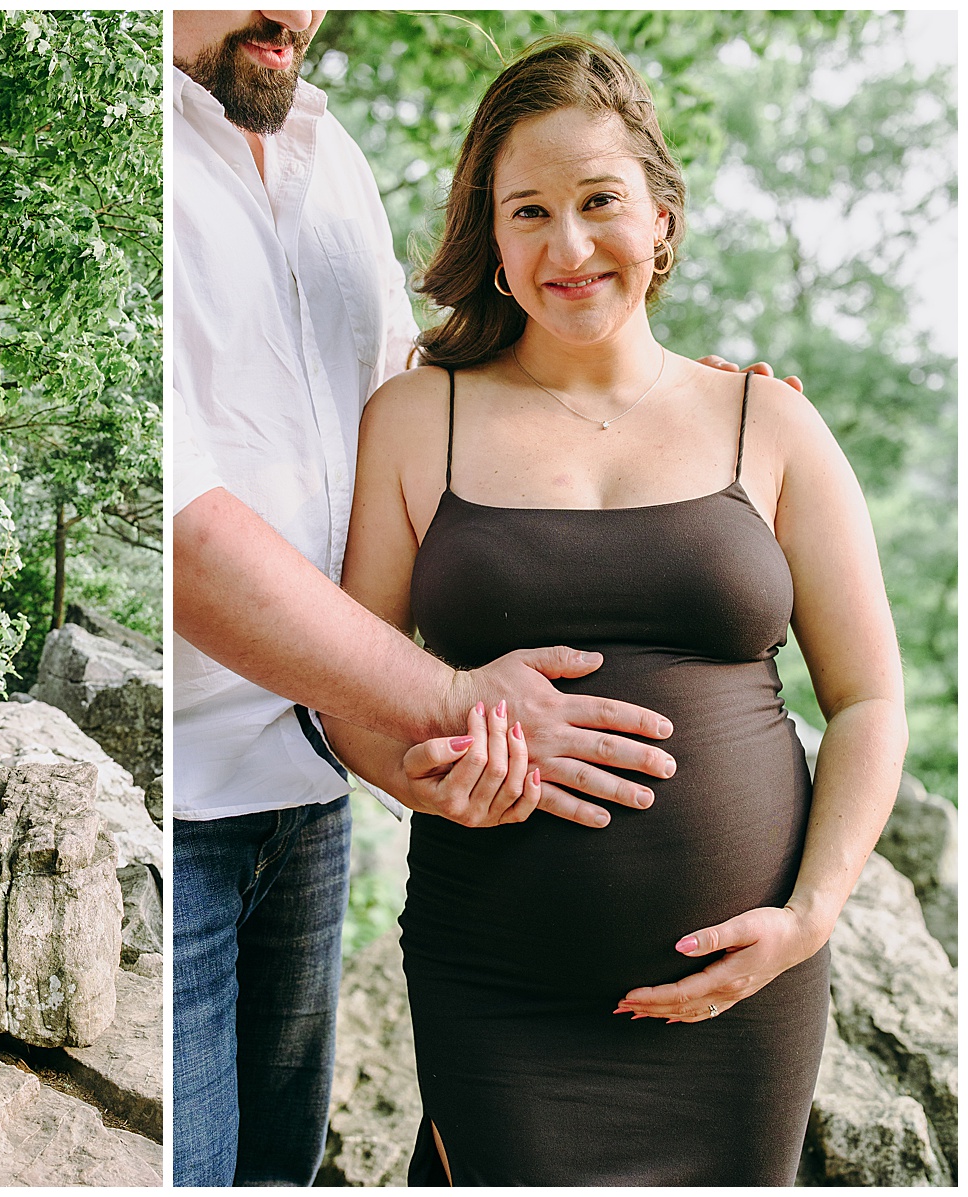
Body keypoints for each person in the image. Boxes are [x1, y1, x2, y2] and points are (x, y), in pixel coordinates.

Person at [322, 34, 907, 1184]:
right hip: (495, 979)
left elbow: (871, 696)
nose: (570, 245)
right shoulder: (413, 417)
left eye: (600, 202)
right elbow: (353, 671)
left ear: (661, 218)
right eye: (528, 211)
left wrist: (810, 918)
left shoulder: (768, 423)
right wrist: (408, 769)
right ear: (490, 237)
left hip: (741, 994)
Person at [171, 10, 689, 1186]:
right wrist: (447, 697)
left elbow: (435, 396)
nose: (289, 15)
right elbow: (183, 535)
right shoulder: (131, 161)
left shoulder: (326, 152)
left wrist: (696, 417)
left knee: (275, 1173)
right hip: (186, 802)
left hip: (308, 797)